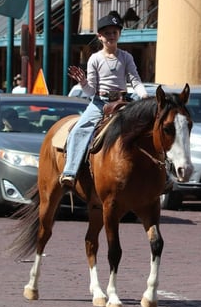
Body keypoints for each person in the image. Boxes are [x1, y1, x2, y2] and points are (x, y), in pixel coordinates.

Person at [59, 10, 149, 188]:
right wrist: (83, 82)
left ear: (119, 34)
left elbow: (135, 80)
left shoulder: (126, 57)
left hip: (123, 102)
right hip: (100, 104)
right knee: (79, 130)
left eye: (114, 32)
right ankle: (70, 172)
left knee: (149, 129)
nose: (111, 36)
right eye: (107, 33)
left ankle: (163, 176)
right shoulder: (95, 59)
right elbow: (91, 90)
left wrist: (144, 95)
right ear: (99, 36)